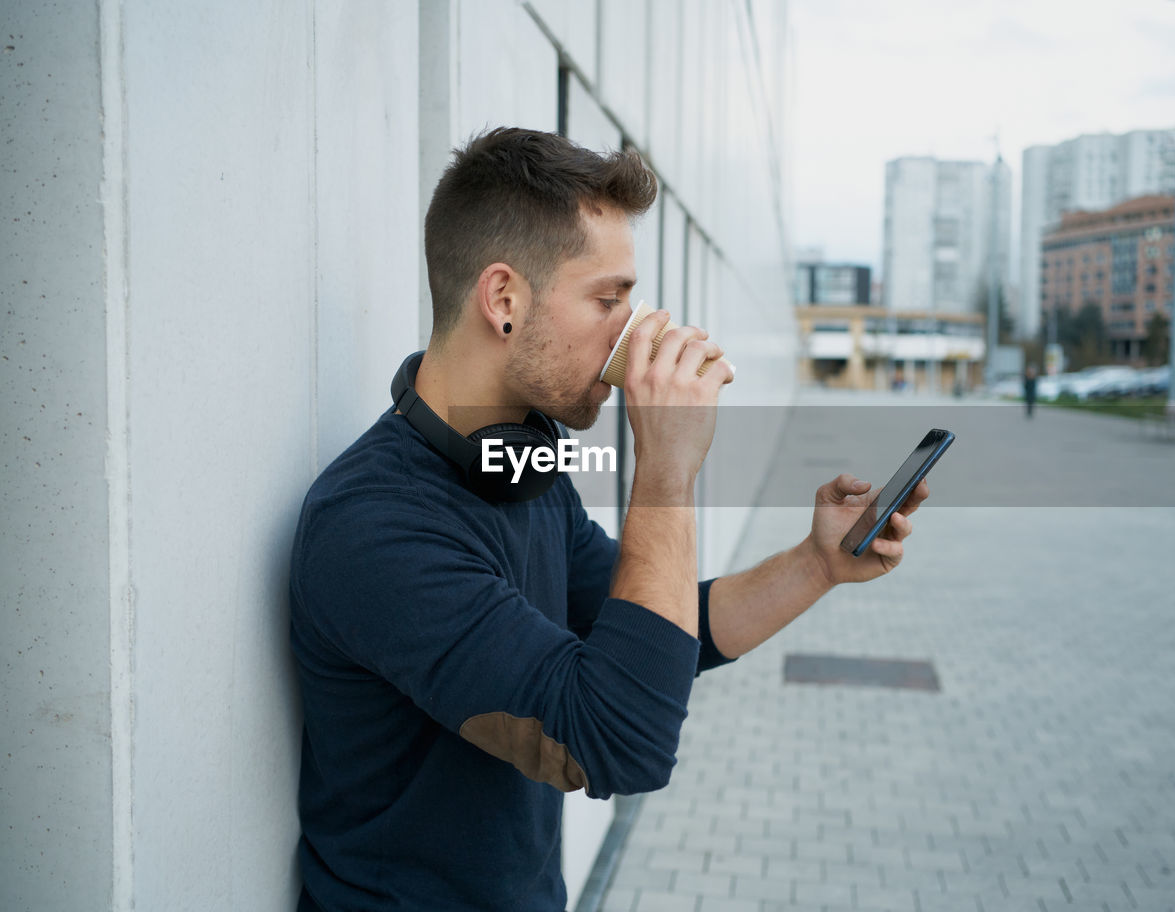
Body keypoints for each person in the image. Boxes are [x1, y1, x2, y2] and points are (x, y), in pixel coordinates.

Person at [288, 127, 929, 912]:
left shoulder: (519, 463)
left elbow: (647, 644)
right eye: (608, 299)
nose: (633, 333)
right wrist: (665, 471)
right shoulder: (377, 527)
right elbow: (619, 740)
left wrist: (816, 564)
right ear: (504, 301)